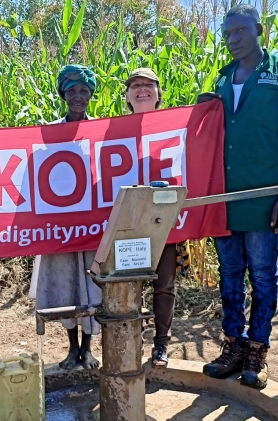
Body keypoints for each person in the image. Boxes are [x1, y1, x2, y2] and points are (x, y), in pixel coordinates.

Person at [197, 4, 278, 389]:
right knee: (229, 276)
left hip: (265, 196)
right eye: (227, 34)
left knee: (263, 276)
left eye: (240, 32)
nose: (232, 40)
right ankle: (232, 346)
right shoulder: (224, 78)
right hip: (225, 199)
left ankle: (257, 352)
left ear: (259, 30)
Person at [29, 64, 102, 371]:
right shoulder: (49, 133)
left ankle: (88, 349)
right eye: (71, 91)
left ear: (91, 95)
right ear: (63, 94)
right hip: (59, 227)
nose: (78, 97)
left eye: (84, 91)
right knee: (65, 286)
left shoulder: (103, 133)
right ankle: (72, 348)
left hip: (92, 226)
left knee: (91, 285)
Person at [122, 67, 186, 368]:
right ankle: (132, 341)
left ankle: (161, 345)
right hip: (130, 219)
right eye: (135, 85)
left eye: (149, 85)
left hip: (164, 217)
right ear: (127, 96)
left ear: (159, 94)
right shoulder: (115, 130)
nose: (142, 89)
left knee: (164, 284)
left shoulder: (175, 125)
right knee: (130, 285)